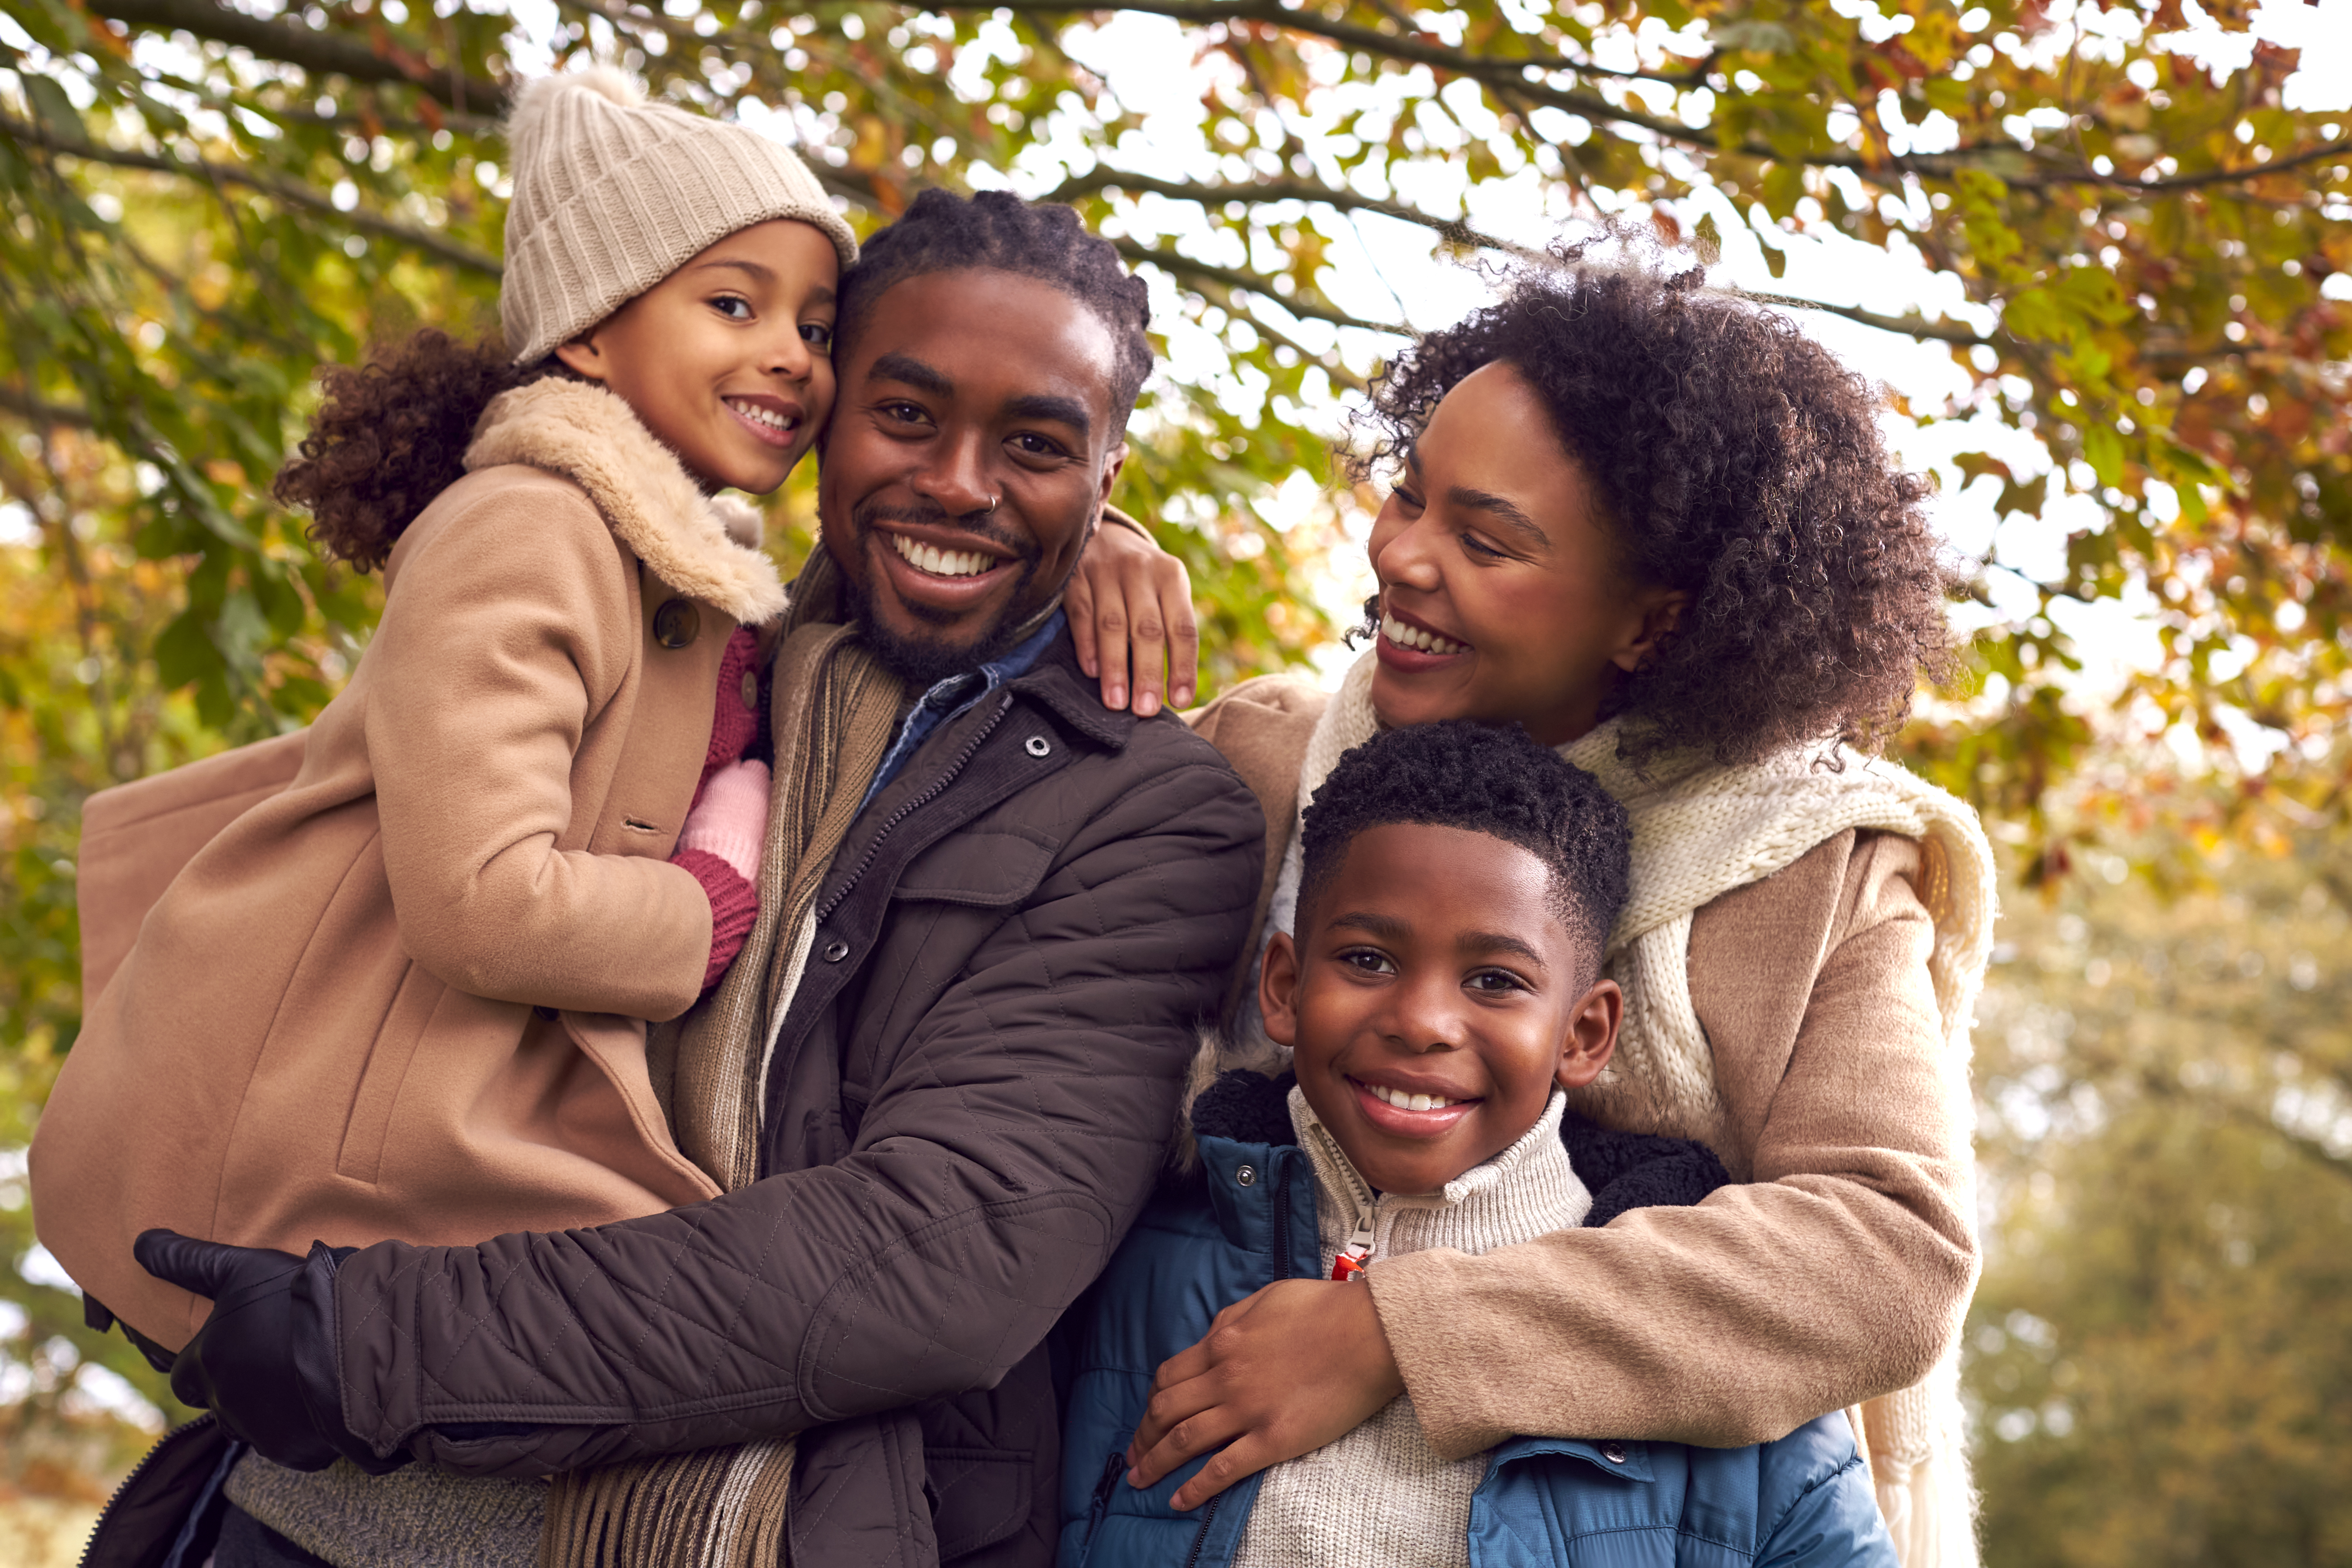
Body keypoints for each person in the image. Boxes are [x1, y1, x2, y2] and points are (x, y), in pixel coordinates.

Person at [77, 182, 1262, 1568]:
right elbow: (351, 905)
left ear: (1111, 473)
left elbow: (945, 1253)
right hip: (298, 1509)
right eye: (906, 415)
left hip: (729, 1521)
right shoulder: (674, 626)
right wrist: (185, 1162)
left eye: (1039, 446)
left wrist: (361, 1337)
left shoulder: (1149, 807)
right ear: (821, 415)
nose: (957, 481)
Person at [1094, 249, 1997, 1568]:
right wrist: (1075, 549)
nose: (1401, 557)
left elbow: (1885, 1255)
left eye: (1485, 539)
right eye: (1410, 496)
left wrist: (1402, 1332)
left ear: (1651, 622)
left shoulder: (1810, 872)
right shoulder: (1273, 763)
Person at [1058, 720, 1896, 1568]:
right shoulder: (1124, 1253)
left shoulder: (1717, 1357)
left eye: (1495, 981)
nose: (1422, 1022)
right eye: (1367, 959)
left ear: (1584, 1033)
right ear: (1284, 987)